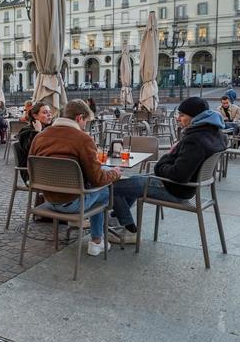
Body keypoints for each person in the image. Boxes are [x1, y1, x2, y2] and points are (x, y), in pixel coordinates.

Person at [111, 97, 226, 242]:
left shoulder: (195, 140)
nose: (178, 118)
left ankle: (130, 230)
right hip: (187, 187)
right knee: (131, 182)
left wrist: (166, 158)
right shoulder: (215, 133)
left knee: (113, 185)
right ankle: (117, 217)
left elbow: (178, 175)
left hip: (175, 188)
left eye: (183, 115)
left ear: (196, 117)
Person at [30, 99, 122, 256]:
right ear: (79, 118)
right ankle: (97, 241)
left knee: (100, 183)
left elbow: (31, 169)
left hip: (48, 201)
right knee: (108, 190)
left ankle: (98, 240)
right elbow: (98, 179)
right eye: (86, 121)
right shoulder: (83, 139)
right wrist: (115, 173)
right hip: (73, 203)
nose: (85, 125)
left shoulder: (40, 137)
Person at [16, 102, 53, 181]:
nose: (49, 115)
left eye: (50, 112)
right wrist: (37, 132)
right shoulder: (26, 131)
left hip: (47, 168)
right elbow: (29, 150)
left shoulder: (50, 129)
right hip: (31, 172)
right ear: (35, 116)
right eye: (45, 112)